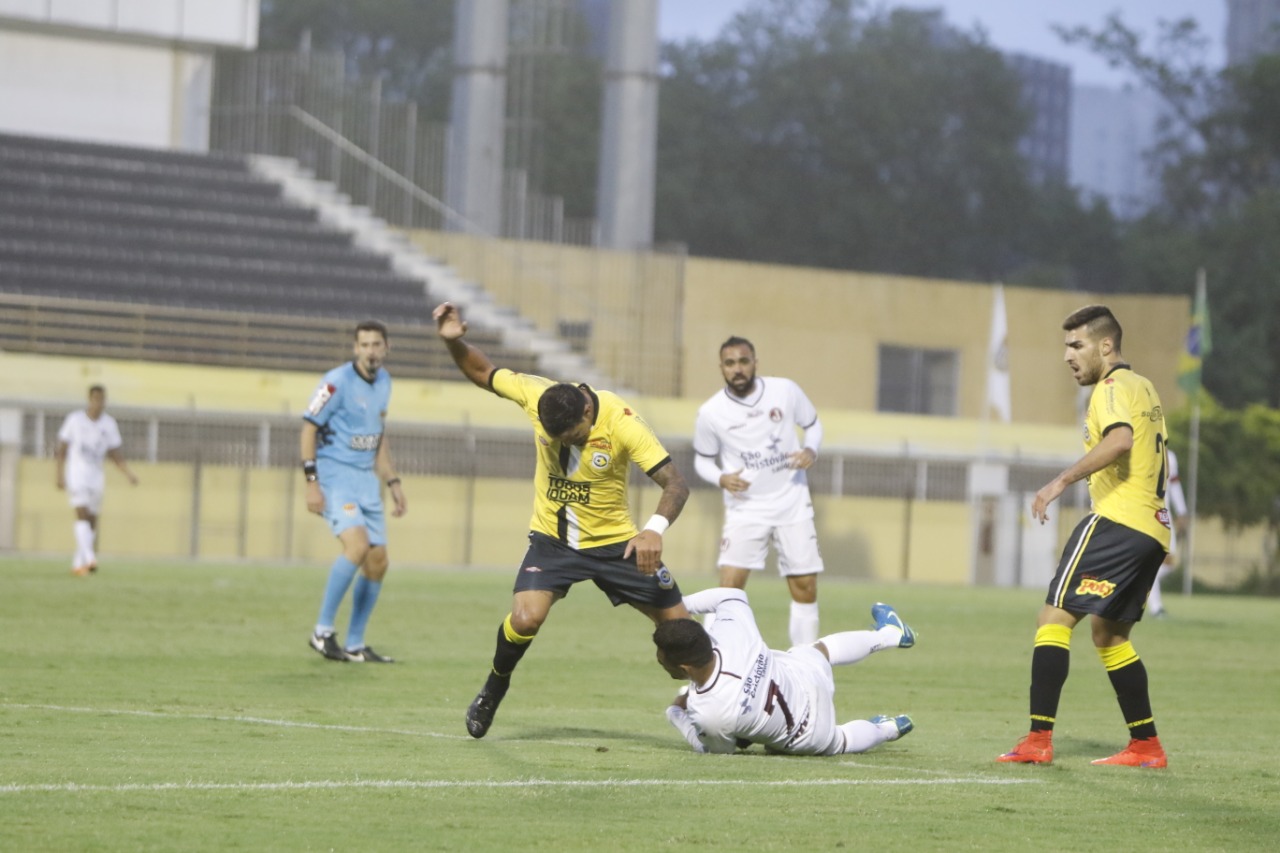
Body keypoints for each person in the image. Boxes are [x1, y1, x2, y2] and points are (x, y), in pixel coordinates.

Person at [433, 301, 691, 739]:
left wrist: (653, 530)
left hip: (617, 545)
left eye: (569, 437)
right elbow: (483, 373)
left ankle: (723, 708)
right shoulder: (538, 395)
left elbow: (676, 485)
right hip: (553, 542)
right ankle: (494, 686)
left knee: (682, 633)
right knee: (526, 618)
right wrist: (455, 342)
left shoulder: (623, 422)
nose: (561, 445)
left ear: (587, 415)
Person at [998, 305, 1171, 769]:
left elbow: (1119, 441)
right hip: (1153, 530)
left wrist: (1059, 482)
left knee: (1053, 618)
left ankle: (1037, 739)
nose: (1068, 356)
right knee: (1109, 635)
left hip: (1117, 520)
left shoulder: (1111, 388)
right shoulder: (1144, 386)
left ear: (1106, 345)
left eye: (1077, 345)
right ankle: (1146, 746)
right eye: (1066, 346)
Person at [653, 587, 915, 755]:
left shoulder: (708, 711)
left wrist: (676, 712)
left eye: (662, 660)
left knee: (841, 739)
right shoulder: (731, 633)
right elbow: (731, 595)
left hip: (805, 732)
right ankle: (890, 635)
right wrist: (680, 605)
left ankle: (888, 729)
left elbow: (714, 749)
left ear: (684, 667)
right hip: (803, 677)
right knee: (821, 650)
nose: (659, 661)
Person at [693, 336, 825, 646]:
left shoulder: (785, 391)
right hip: (746, 508)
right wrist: (721, 478)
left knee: (805, 586)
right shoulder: (711, 412)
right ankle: (711, 662)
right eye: (730, 363)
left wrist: (811, 450)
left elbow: (813, 424)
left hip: (792, 501)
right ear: (721, 368)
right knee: (728, 590)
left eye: (743, 361)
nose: (737, 369)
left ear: (755, 363)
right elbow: (702, 460)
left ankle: (804, 664)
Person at [302, 320, 407, 664]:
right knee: (357, 545)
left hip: (366, 481)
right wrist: (312, 482)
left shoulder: (386, 383)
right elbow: (308, 427)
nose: (371, 351)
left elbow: (377, 436)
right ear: (355, 348)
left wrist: (392, 481)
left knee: (378, 562)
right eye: (365, 345)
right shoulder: (335, 383)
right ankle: (321, 631)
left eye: (377, 344)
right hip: (336, 477)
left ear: (386, 348)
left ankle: (355, 644)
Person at [55, 385, 138, 576]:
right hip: (77, 475)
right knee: (81, 513)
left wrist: (128, 473)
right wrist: (59, 475)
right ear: (89, 399)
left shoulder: (109, 424)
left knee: (91, 521)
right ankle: (91, 557)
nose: (99, 403)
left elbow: (115, 453)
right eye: (96, 399)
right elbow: (62, 449)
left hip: (96, 477)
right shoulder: (74, 420)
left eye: (102, 399)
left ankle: (79, 564)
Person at [1145, 447, 1188, 618]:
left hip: (1164, 514)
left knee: (1168, 563)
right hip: (1147, 512)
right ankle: (1156, 607)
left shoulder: (1170, 455)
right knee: (1156, 562)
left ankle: (1140, 584)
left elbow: (1174, 485)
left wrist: (1182, 511)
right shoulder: (1140, 450)